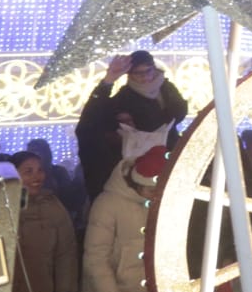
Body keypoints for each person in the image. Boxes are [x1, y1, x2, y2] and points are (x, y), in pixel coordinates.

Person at [75, 50, 187, 201]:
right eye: (138, 73)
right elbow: (90, 123)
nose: (145, 77)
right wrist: (108, 80)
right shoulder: (123, 99)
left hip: (170, 164)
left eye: (148, 70)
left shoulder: (167, 88)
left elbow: (178, 113)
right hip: (138, 174)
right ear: (129, 74)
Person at [78, 145, 166, 292]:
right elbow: (95, 257)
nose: (155, 196)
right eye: (151, 191)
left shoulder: (160, 204)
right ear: (137, 183)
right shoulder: (107, 204)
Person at [7, 150, 78, 292]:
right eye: (28, 171)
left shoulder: (52, 207)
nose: (36, 176)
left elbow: (66, 253)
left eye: (40, 170)